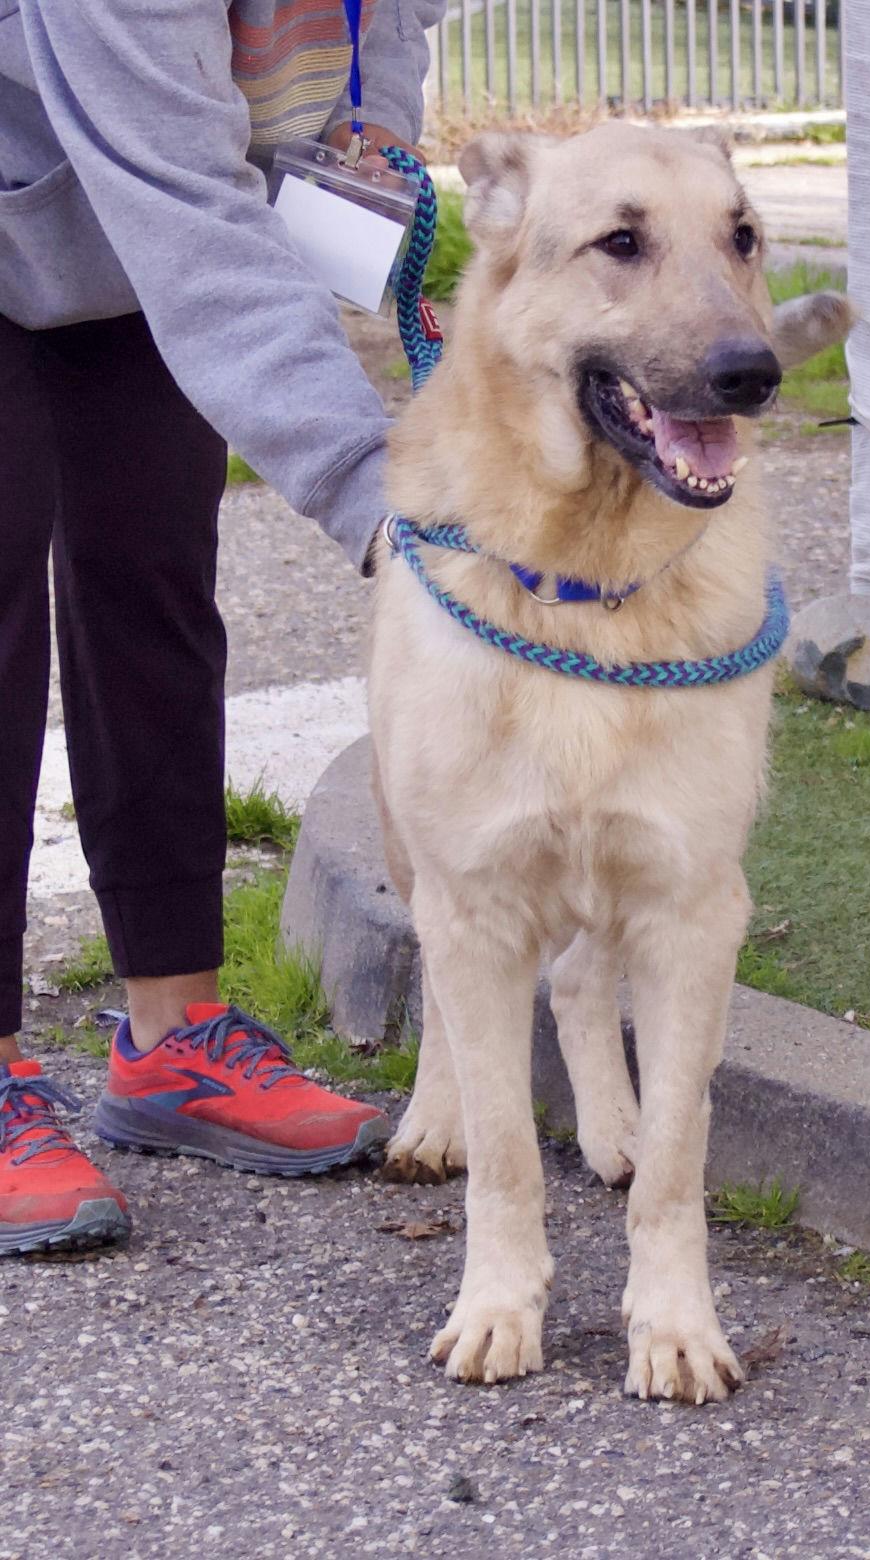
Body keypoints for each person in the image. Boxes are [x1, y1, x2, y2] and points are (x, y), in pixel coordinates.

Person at [0, 0, 445, 1253]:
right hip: (91, 177)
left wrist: (357, 200)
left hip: (147, 211)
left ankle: (171, 1038)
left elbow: (367, 93)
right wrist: (387, 508)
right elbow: (191, 219)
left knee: (154, 582)